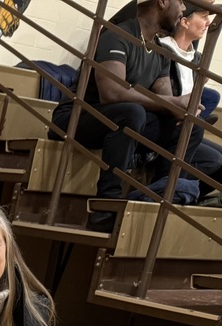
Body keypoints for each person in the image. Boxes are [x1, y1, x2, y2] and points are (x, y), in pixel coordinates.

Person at [51, 0, 205, 230]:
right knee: (131, 113)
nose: (183, 10)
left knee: (189, 127)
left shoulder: (159, 50)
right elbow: (111, 93)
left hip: (121, 118)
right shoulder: (118, 35)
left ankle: (161, 198)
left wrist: (182, 108)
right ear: (162, 2)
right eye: (181, 2)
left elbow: (165, 97)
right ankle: (105, 207)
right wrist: (173, 103)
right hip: (76, 116)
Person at [158, 4, 222, 200]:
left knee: (212, 97)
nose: (208, 22)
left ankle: (191, 196)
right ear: (185, 21)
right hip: (165, 120)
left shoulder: (197, 57)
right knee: (214, 158)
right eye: (203, 17)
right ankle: (166, 191)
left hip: (185, 122)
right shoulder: (163, 49)